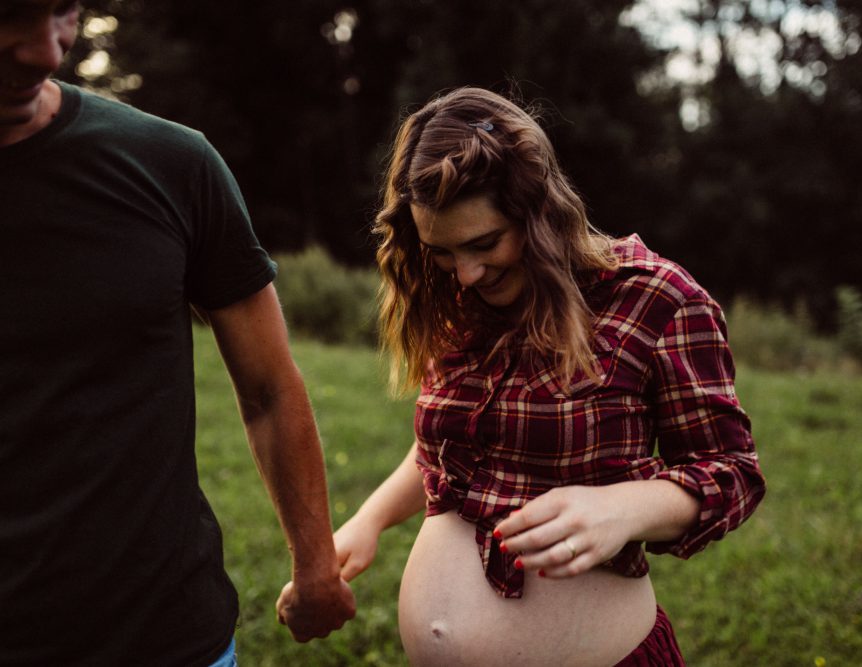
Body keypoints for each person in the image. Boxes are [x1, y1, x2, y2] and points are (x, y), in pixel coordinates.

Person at [333, 85, 766, 666]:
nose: (464, 273)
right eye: (441, 251)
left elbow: (733, 473)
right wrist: (369, 520)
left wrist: (627, 507)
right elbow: (452, 449)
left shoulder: (655, 300)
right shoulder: (467, 301)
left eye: (484, 243)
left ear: (539, 211)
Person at [0, 2, 355, 665]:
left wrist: (316, 568)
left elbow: (269, 387)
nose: (48, 51)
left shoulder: (170, 162)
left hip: (172, 642)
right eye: (12, 16)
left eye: (64, 10)